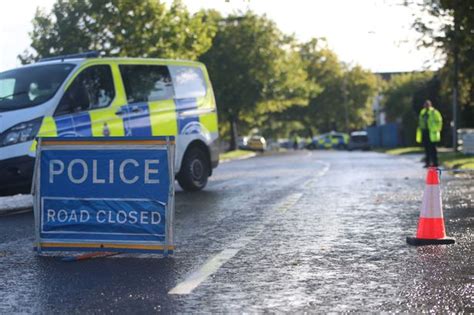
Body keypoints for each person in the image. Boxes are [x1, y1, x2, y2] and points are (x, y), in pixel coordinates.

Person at [416, 100, 442, 167]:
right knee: (426, 149)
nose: (426, 106)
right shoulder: (423, 112)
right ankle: (428, 163)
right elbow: (420, 122)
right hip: (425, 132)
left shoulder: (434, 112)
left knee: (433, 149)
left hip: (432, 133)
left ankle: (435, 163)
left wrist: (436, 129)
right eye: (425, 104)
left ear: (430, 105)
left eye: (427, 104)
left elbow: (439, 121)